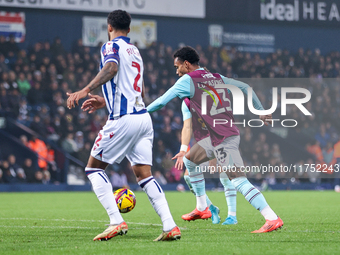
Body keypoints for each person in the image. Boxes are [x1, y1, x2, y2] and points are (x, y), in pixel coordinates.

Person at [66, 10, 180, 241]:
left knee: (93, 168)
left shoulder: (111, 47)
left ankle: (116, 221)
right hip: (143, 119)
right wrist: (106, 100)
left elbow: (111, 69)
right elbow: (141, 91)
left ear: (109, 27)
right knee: (144, 176)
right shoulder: (136, 51)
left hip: (123, 119)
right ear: (129, 30)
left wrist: (85, 90)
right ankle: (170, 226)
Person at [147, 46, 283, 233]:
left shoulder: (188, 80)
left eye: (177, 66)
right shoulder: (217, 77)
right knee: (190, 160)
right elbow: (245, 87)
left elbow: (162, 101)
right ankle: (202, 207)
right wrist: (260, 110)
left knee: (238, 180)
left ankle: (271, 217)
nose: (176, 71)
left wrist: (138, 113)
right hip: (217, 137)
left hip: (224, 137)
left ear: (186, 64)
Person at [175, 98, 237, 225]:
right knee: (188, 177)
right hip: (203, 143)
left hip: (222, 138)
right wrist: (183, 150)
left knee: (225, 175)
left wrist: (213, 158)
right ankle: (210, 208)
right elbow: (187, 127)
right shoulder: (187, 102)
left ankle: (232, 216)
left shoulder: (210, 99)